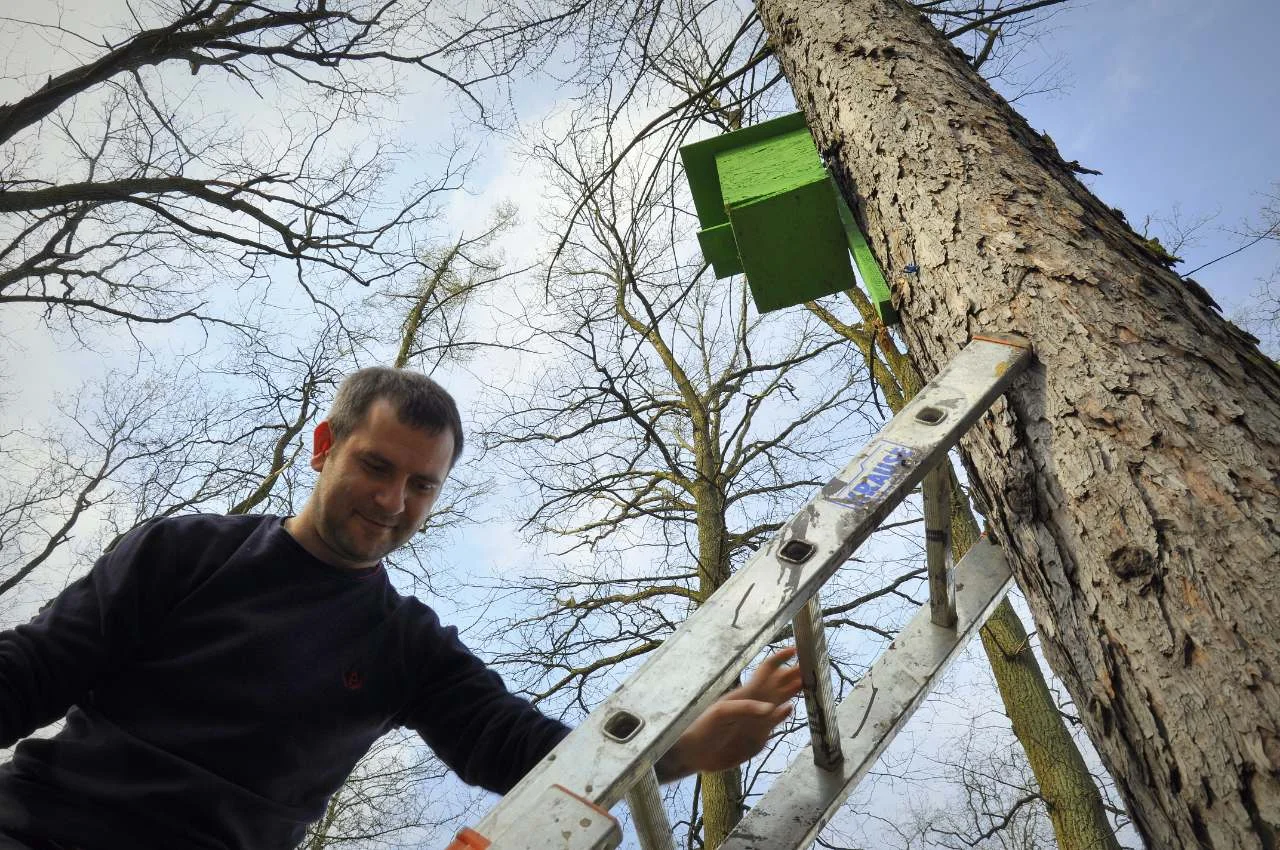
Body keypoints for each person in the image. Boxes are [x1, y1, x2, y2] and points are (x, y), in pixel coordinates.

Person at [0, 368, 802, 850]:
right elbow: (34, 668)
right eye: (376, 466)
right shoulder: (188, 552)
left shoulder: (407, 647)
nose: (393, 500)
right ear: (324, 446)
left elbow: (515, 745)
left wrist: (678, 751)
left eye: (423, 485)